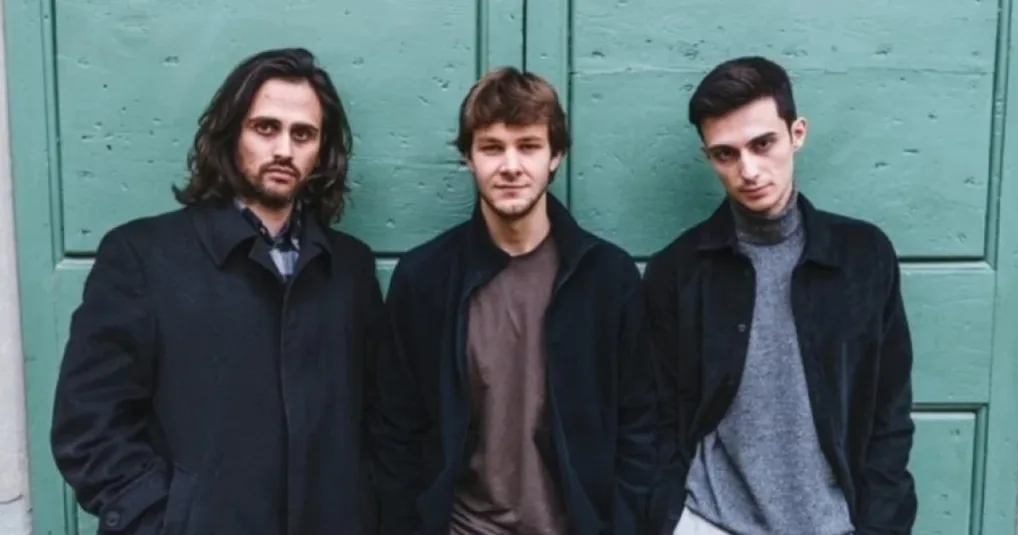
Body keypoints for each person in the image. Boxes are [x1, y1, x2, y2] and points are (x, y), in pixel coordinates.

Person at [50, 48, 384, 535]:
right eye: (265, 128)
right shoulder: (142, 255)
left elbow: (380, 419)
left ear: (321, 151)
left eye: (303, 134)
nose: (284, 150)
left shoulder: (350, 268)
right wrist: (166, 521)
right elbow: (88, 423)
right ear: (231, 135)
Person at [372, 67, 657, 535]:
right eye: (492, 147)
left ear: (556, 156)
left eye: (528, 146)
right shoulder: (425, 279)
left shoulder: (607, 277)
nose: (510, 166)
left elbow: (639, 426)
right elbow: (396, 428)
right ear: (469, 157)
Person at [643, 56, 917, 535]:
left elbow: (888, 412)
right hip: (709, 521)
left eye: (763, 143)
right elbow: (654, 416)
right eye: (725, 154)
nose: (748, 170)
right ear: (709, 157)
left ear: (797, 134)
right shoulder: (678, 271)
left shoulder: (863, 257)